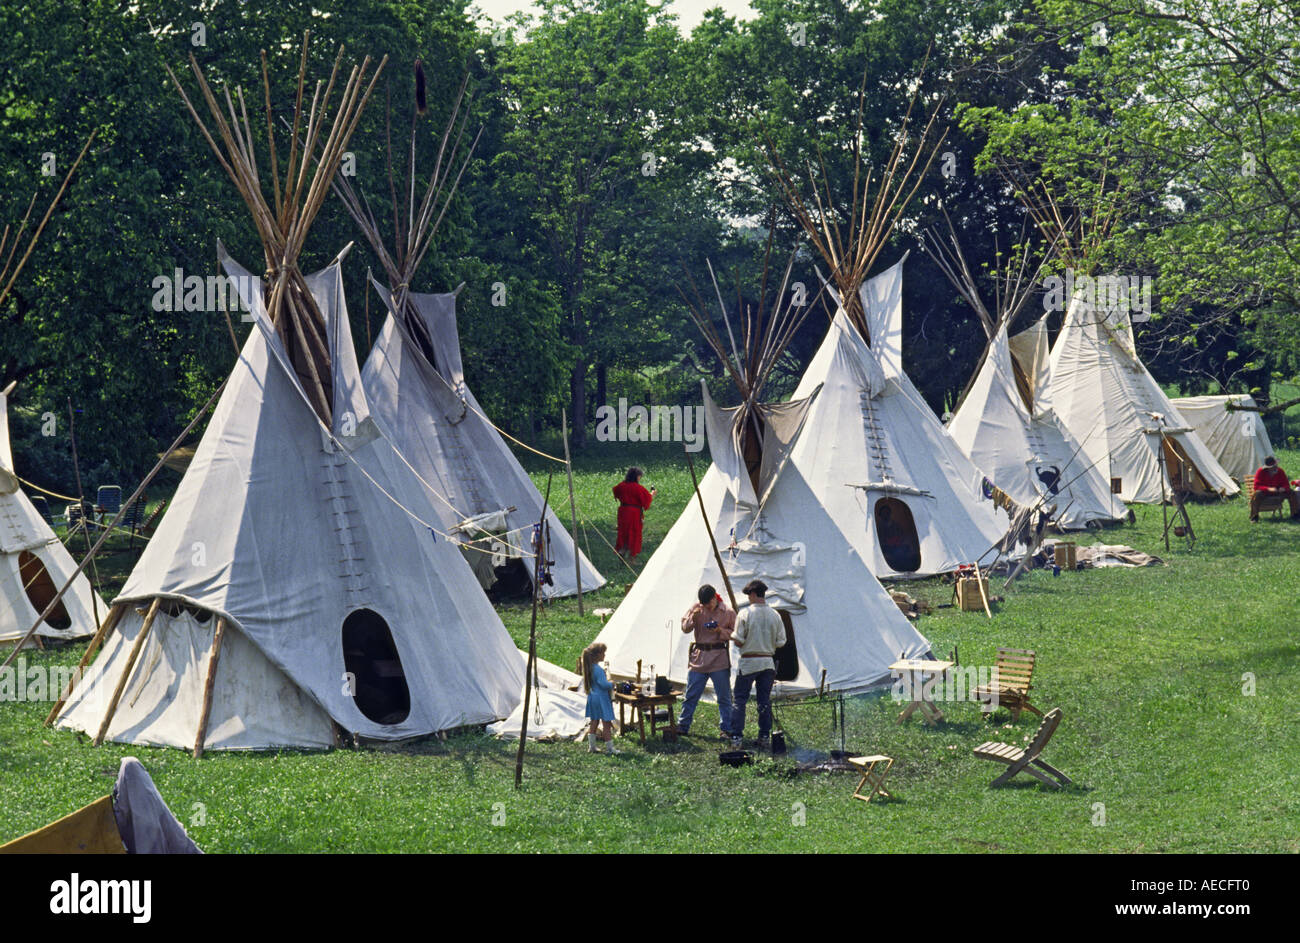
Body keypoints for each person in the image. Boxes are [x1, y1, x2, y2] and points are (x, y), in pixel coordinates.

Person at [728, 579, 786, 750]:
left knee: (739, 700)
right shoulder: (775, 615)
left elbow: (738, 641)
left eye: (749, 595)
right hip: (768, 663)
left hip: (749, 662)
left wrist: (731, 635)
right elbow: (781, 642)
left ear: (753, 594)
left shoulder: (745, 614)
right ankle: (764, 737)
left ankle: (737, 737)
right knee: (764, 701)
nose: (749, 598)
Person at [676, 584, 735, 739]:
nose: (707, 607)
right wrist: (692, 618)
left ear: (715, 597)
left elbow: (736, 633)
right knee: (691, 694)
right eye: (704, 604)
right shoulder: (697, 608)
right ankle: (683, 725)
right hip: (699, 657)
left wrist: (720, 631)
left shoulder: (727, 612)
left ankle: (726, 728)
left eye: (709, 603)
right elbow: (684, 627)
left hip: (718, 657)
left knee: (723, 696)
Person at [578, 642, 619, 754]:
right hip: (601, 699)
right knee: (606, 724)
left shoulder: (590, 668)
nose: (604, 655)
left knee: (594, 722)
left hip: (592, 697)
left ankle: (592, 746)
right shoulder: (598, 670)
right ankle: (610, 748)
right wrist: (611, 684)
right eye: (603, 653)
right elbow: (603, 684)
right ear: (597, 655)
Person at [613, 467, 656, 561]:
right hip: (634, 513)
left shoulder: (621, 485)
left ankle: (622, 551)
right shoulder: (638, 488)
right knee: (634, 533)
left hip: (623, 511)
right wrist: (652, 494)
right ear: (637, 477)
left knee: (624, 532)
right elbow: (646, 499)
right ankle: (632, 559)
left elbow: (615, 491)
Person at [1250, 456, 1300, 522]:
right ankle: (1254, 517)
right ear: (1267, 468)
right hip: (1265, 493)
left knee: (1292, 493)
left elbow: (1286, 485)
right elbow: (1256, 486)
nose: (1275, 467)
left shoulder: (1280, 471)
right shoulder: (1260, 472)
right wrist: (1268, 489)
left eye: (1275, 465)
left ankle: (1295, 514)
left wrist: (1283, 488)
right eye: (1273, 467)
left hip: (1278, 492)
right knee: (1256, 495)